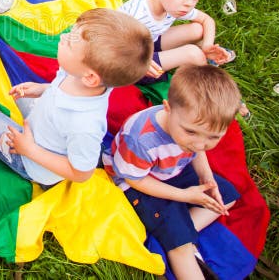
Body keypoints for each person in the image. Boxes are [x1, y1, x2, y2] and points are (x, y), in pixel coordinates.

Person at [0, 8, 152, 187]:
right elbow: (60, 87)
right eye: (70, 33)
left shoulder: (84, 125)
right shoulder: (80, 76)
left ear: (90, 77)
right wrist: (42, 89)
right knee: (20, 98)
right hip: (43, 126)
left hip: (34, 163)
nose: (63, 38)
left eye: (70, 42)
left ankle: (25, 168)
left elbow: (81, 173)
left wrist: (30, 150)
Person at [103, 65, 242, 280]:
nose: (200, 143)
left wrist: (206, 177)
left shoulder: (193, 136)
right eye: (191, 132)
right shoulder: (142, 139)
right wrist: (185, 196)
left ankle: (177, 233)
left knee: (226, 196)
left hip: (172, 171)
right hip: (139, 184)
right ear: (167, 108)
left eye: (212, 137)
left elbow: (198, 150)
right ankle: (179, 243)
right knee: (182, 248)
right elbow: (135, 179)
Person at [117, 0, 245, 115]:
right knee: (193, 53)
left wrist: (207, 47)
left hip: (146, 43)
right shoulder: (134, 15)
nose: (189, 3)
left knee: (197, 29)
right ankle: (216, 94)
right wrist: (141, 60)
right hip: (131, 61)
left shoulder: (171, 3)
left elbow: (207, 20)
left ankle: (204, 61)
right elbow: (109, 45)